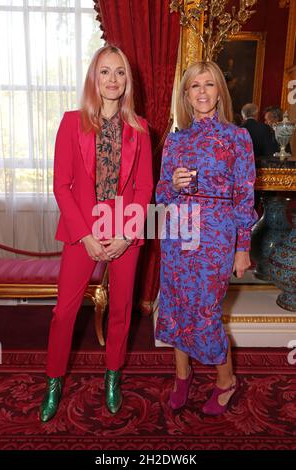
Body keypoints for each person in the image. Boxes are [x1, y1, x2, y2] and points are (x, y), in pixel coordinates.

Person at [40, 45, 153, 422]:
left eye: (120, 72)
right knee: (64, 312)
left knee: (121, 310)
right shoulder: (71, 123)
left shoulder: (140, 129)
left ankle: (112, 377)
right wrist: (86, 235)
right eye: (105, 72)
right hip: (81, 232)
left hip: (125, 231)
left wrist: (124, 235)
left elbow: (143, 190)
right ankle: (54, 382)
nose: (112, 80)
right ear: (94, 78)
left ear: (127, 80)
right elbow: (61, 185)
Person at [155, 61, 258, 416]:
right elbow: (161, 195)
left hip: (216, 234)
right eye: (194, 86)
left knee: (205, 311)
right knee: (174, 305)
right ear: (185, 95)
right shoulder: (175, 139)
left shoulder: (237, 137)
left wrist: (242, 247)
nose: (201, 91)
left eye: (209, 84)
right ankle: (182, 376)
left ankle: (226, 381)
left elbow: (245, 196)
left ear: (219, 92)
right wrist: (172, 185)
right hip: (176, 235)